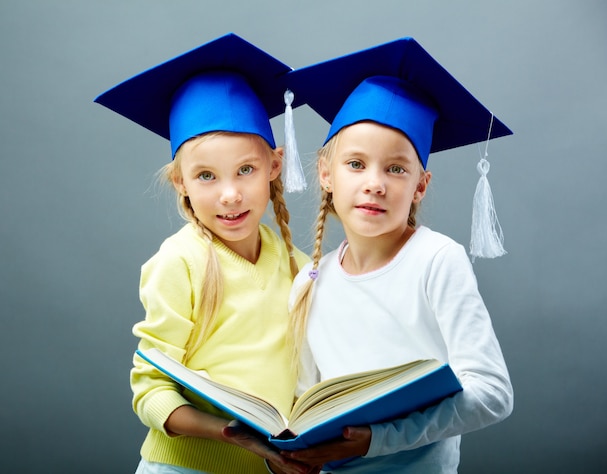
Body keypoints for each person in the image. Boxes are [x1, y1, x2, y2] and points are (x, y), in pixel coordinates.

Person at [283, 37, 514, 473]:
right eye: (355, 164)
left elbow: (492, 393)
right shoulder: (311, 281)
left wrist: (377, 440)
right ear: (325, 173)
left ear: (420, 185)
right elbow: (306, 401)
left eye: (396, 168)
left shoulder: (436, 260)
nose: (375, 183)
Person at [95, 33, 315, 474]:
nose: (230, 194)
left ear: (275, 165)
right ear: (181, 182)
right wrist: (228, 432)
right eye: (206, 176)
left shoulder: (297, 264)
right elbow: (150, 392)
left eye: (246, 170)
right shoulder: (179, 262)